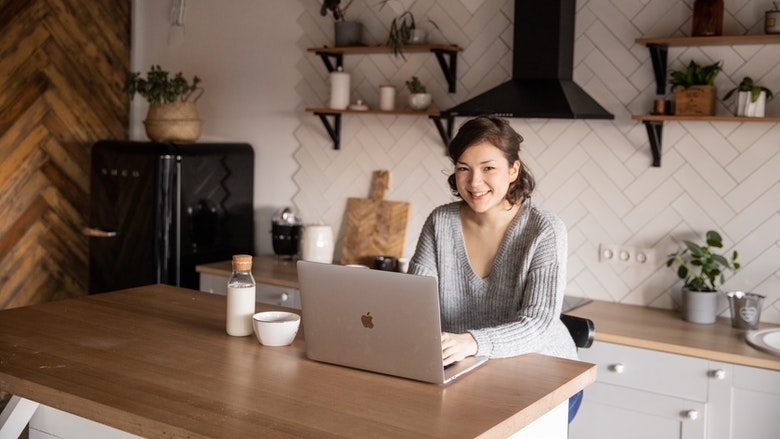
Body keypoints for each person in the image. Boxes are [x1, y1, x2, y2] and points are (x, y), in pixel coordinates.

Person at [406, 115, 582, 420]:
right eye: (464, 168)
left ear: (513, 170)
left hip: (544, 377)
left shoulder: (544, 230)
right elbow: (415, 303)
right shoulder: (440, 222)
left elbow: (538, 324)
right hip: (466, 370)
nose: (474, 182)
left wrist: (472, 342)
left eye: (488, 168)